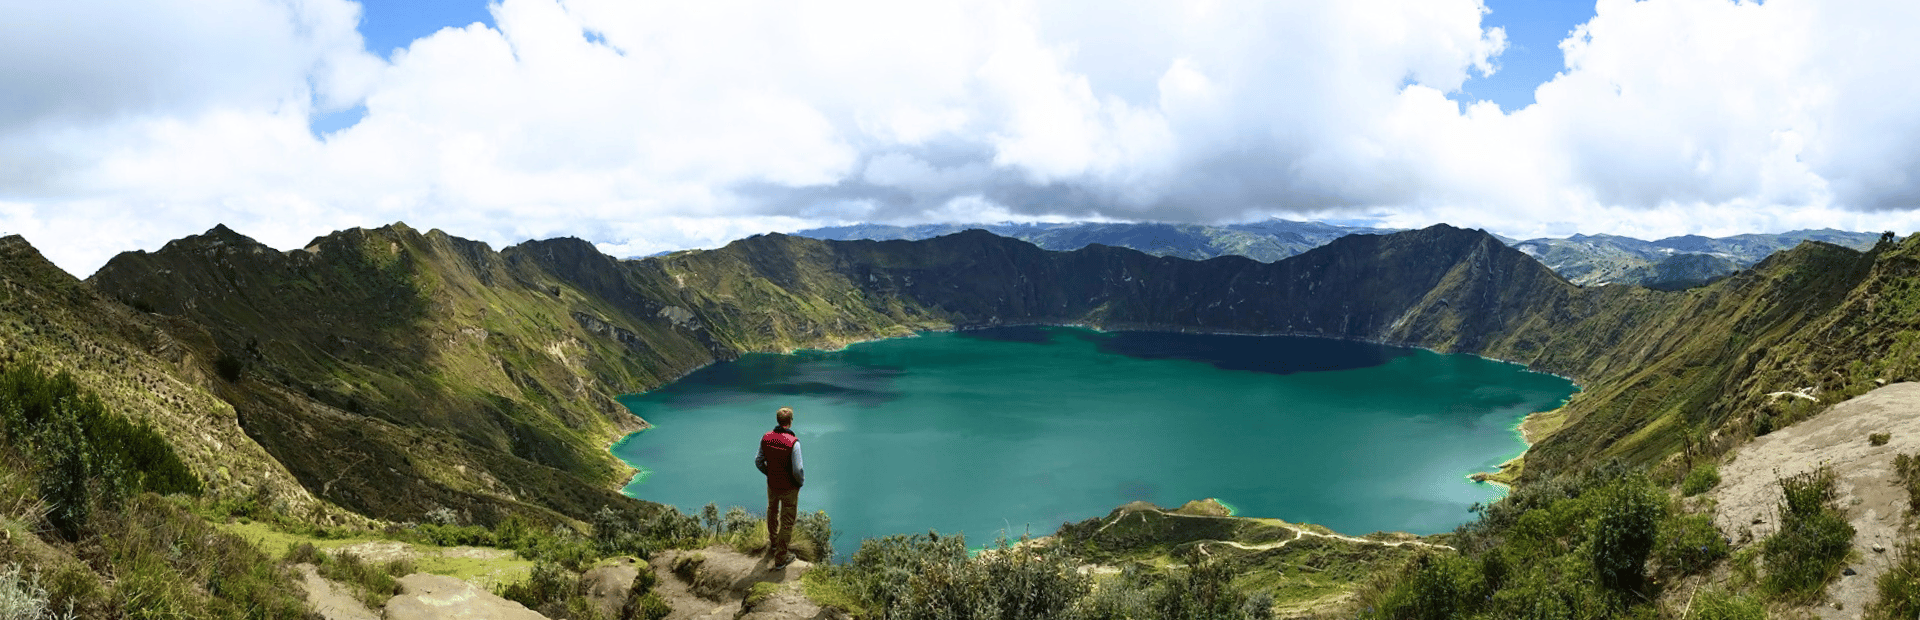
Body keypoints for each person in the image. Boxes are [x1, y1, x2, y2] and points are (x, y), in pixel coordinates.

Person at [754, 406, 804, 568]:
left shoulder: (766, 437)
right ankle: (781, 558)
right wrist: (800, 482)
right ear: (790, 421)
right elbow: (798, 470)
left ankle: (774, 543)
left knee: (772, 511)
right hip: (789, 487)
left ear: (778, 420)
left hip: (772, 484)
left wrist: (769, 473)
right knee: (787, 521)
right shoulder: (794, 443)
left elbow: (758, 461)